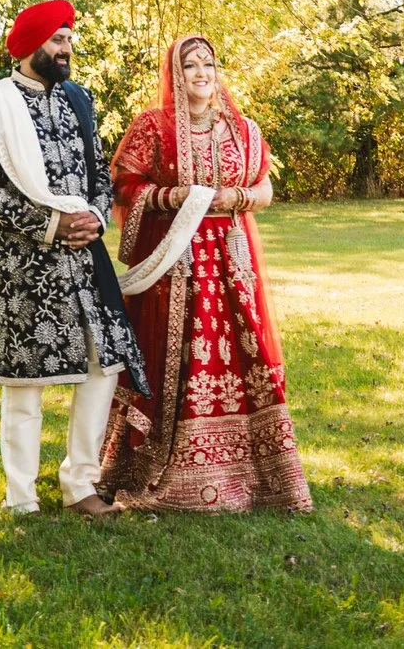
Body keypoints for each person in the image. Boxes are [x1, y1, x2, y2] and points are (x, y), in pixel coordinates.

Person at [98, 33, 311, 513]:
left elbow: (264, 186)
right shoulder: (153, 128)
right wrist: (175, 198)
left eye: (208, 66)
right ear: (176, 73)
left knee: (244, 349)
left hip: (232, 260)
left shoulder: (241, 128)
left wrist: (234, 199)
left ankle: (257, 476)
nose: (201, 74)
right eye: (191, 66)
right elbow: (124, 184)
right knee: (166, 353)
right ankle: (149, 466)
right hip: (174, 258)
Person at [0, 0, 148, 517]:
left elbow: (98, 174)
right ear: (30, 46)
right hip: (26, 264)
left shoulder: (79, 100)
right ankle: (21, 497)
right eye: (59, 39)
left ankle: (80, 484)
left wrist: (92, 217)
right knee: (25, 382)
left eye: (69, 39)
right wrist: (49, 225)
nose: (68, 49)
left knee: (102, 366)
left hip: (86, 259)